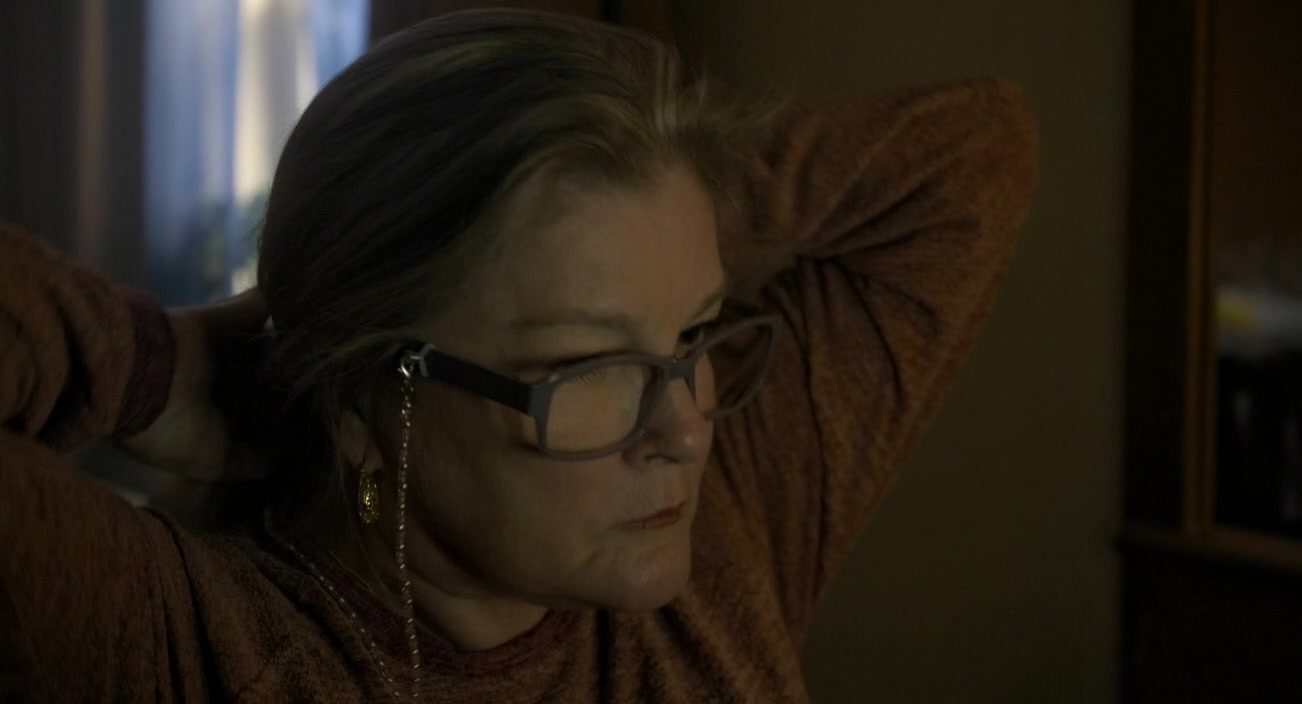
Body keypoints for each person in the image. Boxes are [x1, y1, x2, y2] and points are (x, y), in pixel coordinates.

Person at [0, 8, 1036, 702]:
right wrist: (151, 360)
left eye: (694, 333)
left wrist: (663, 194)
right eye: (590, 364)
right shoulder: (179, 641)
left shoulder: (722, 533)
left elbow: (973, 154)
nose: (685, 430)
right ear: (369, 397)